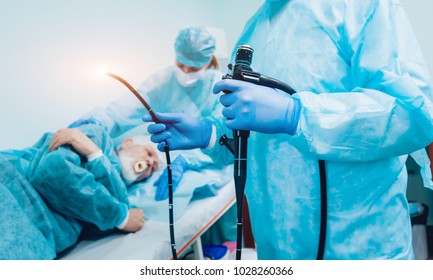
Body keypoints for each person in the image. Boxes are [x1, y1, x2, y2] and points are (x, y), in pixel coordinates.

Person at [143, 0, 433, 259]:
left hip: (359, 248)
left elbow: (412, 113)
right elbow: (247, 140)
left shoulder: (363, 7)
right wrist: (209, 134)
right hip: (277, 248)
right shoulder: (252, 31)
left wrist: (297, 114)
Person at [71, 27, 236, 245]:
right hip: (170, 156)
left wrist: (189, 159)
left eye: (194, 67)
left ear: (208, 61)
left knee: (221, 226)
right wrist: (95, 122)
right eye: (180, 65)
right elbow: (123, 110)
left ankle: (225, 247)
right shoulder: (162, 81)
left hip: (212, 158)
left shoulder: (219, 85)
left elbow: (226, 136)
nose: (186, 72)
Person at [0, 123, 159, 259]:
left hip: (40, 236)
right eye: (149, 152)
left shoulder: (122, 199)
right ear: (127, 143)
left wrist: (121, 216)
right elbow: (52, 171)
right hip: (13, 189)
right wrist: (95, 152)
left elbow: (101, 222)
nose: (149, 162)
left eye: (152, 168)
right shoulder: (96, 137)